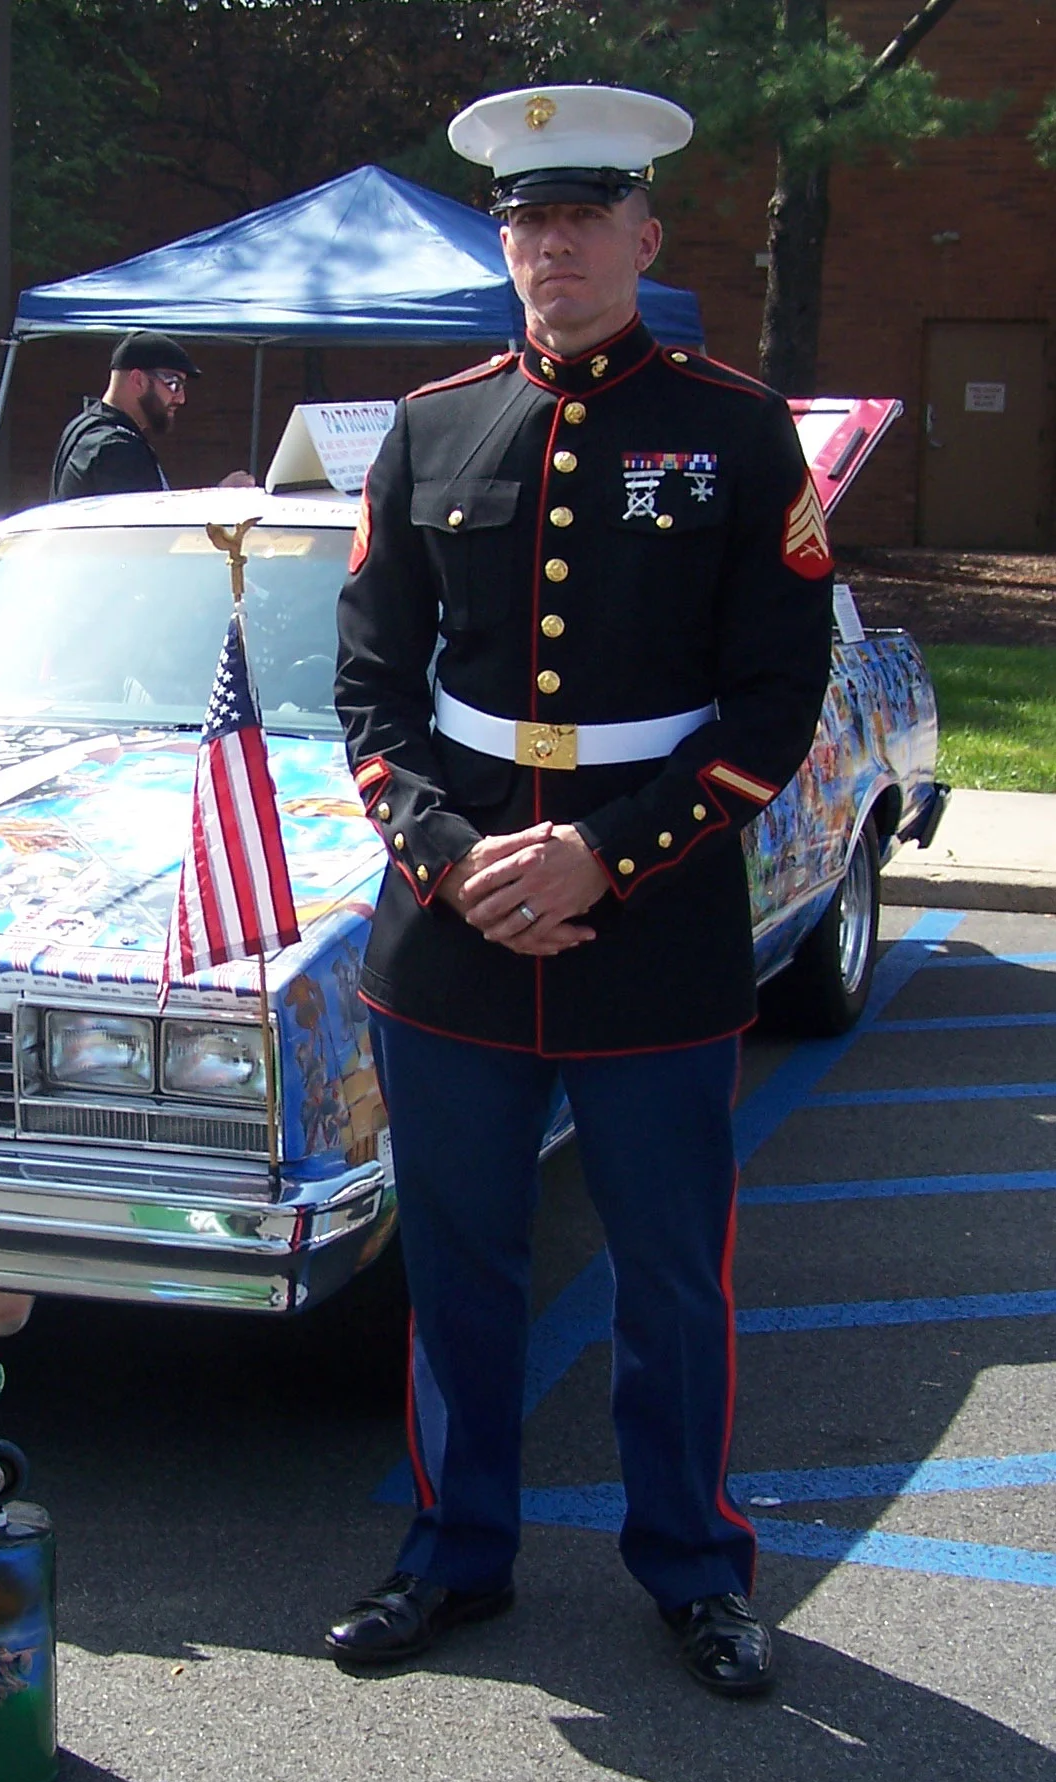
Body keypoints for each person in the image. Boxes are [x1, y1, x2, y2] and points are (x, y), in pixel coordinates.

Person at [328, 86, 835, 1698]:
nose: (553, 244)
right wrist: (446, 850)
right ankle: (453, 1554)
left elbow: (775, 700)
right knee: (462, 1267)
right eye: (527, 220)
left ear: (643, 234)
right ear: (506, 240)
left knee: (672, 1278)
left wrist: (603, 854)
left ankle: (694, 1566)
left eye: (583, 216)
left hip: (654, 927)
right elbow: (366, 686)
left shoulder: (738, 429)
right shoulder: (432, 425)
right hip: (456, 932)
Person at [48, 331, 200, 500]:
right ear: (138, 380)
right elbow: (151, 522)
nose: (181, 398)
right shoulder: (117, 448)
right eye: (174, 384)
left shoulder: (85, 427)